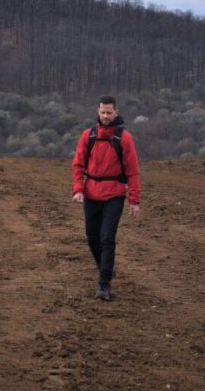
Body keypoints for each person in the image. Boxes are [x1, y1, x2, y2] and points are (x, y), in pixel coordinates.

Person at [72, 95, 141, 301]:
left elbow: (133, 172)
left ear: (116, 113)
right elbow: (78, 164)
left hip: (114, 195)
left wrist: (134, 200)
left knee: (107, 238)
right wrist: (78, 189)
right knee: (92, 238)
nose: (105, 116)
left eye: (109, 112)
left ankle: (104, 283)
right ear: (97, 111)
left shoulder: (124, 138)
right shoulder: (88, 136)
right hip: (91, 193)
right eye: (102, 112)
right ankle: (106, 269)